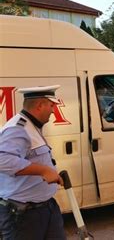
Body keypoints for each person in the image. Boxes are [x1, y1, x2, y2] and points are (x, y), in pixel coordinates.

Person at [0, 85, 66, 239]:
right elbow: (2, 159)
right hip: (23, 214)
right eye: (51, 105)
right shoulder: (18, 128)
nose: (53, 110)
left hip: (45, 208)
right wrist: (43, 171)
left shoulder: (32, 125)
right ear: (39, 105)